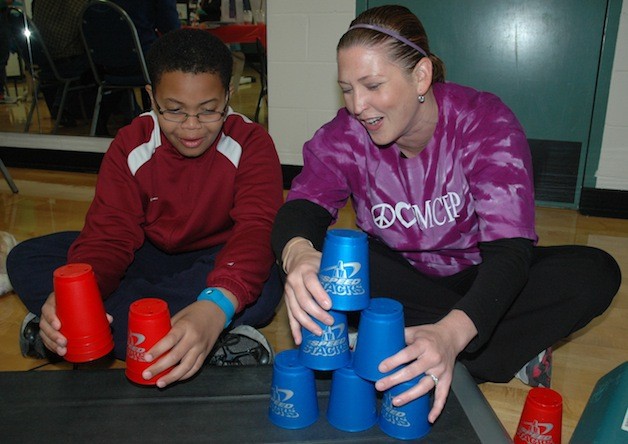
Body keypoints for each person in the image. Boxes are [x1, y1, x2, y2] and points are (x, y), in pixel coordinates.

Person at [271, 5, 621, 424]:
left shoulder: (483, 122)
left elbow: (510, 253)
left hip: (480, 273)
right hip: (402, 278)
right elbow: (302, 209)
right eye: (347, 88)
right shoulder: (345, 135)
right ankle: (481, 345)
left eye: (373, 85)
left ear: (420, 76)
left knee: (595, 272)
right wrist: (297, 253)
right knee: (310, 262)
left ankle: (423, 342)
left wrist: (451, 332)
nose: (358, 105)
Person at [8, 28, 284, 387]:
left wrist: (215, 305)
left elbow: (256, 230)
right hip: (145, 254)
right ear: (152, 97)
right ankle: (195, 340)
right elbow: (109, 236)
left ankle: (105, 331)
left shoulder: (252, 144)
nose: (191, 127)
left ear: (228, 96)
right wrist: (73, 295)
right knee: (26, 258)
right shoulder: (130, 145)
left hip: (217, 261)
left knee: (266, 283)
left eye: (208, 111)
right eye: (173, 110)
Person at [31, 0, 93, 126]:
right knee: (106, 59)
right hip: (67, 60)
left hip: (45, 58)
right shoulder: (76, 4)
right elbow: (85, 23)